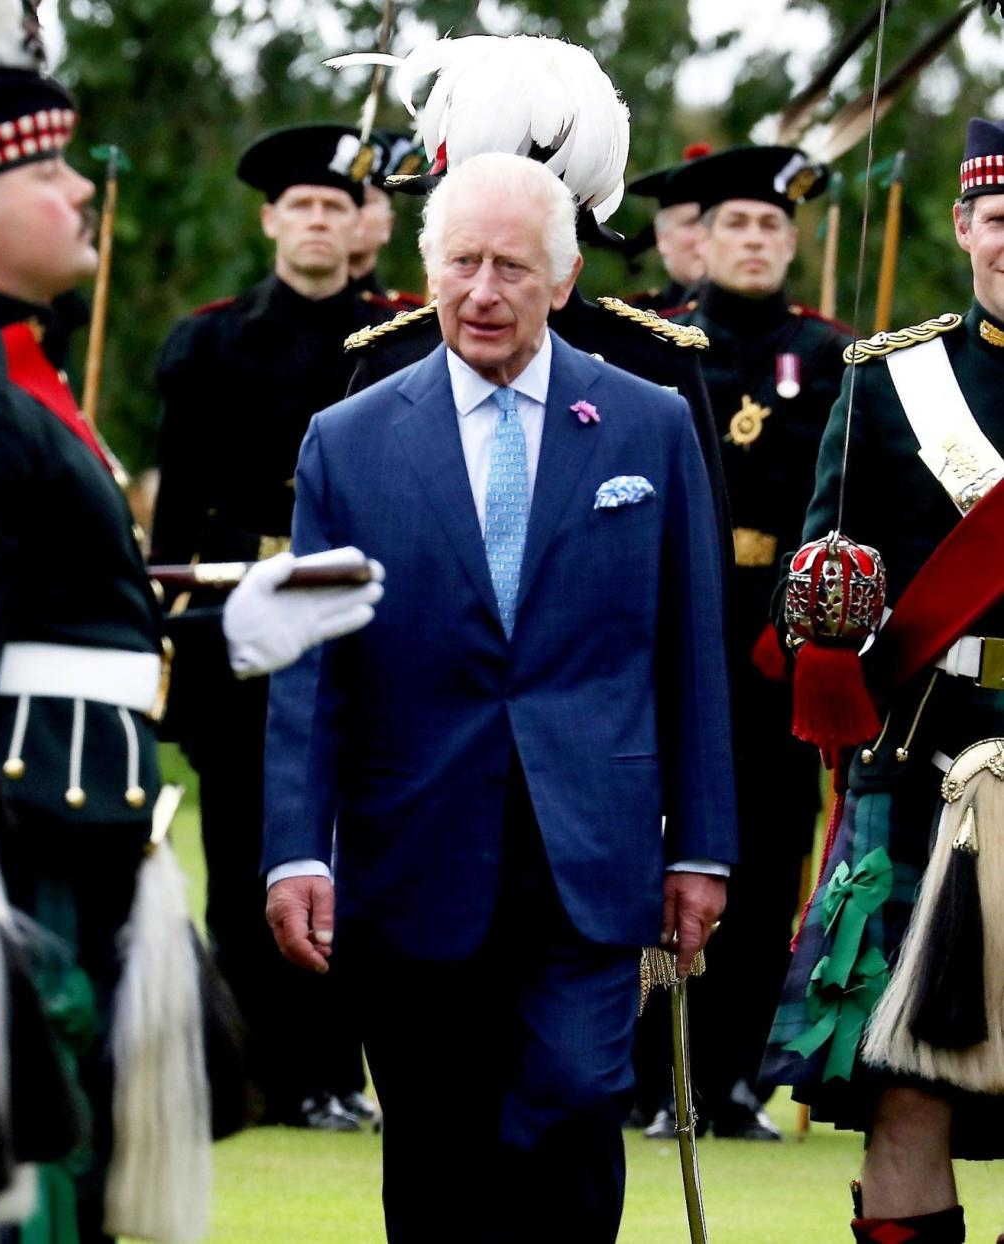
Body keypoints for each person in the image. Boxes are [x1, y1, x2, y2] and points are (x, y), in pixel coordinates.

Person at [0, 37, 383, 1241]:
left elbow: (80, 627)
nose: (78, 191)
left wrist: (231, 631)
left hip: (77, 827)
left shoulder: (13, 374)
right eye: (46, 171)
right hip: (15, 854)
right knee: (28, 1195)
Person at [263, 151, 736, 1244]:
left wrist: (702, 847)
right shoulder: (348, 439)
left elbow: (691, 654)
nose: (483, 292)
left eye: (512, 268)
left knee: (573, 1098)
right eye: (462, 263)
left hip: (591, 853)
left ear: (563, 279)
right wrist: (296, 847)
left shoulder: (648, 424)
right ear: (427, 271)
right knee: (434, 1136)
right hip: (411, 846)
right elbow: (312, 668)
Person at [765, 116, 1004, 1244]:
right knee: (906, 1078)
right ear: (965, 225)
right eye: (1002, 219)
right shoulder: (895, 379)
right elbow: (806, 587)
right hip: (925, 758)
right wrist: (820, 619)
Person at [149, 122, 392, 1132]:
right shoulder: (208, 342)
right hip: (238, 615)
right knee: (248, 848)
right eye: (301, 206)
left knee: (350, 852)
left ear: (361, 223)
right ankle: (247, 1066)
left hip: (358, 616)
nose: (318, 222)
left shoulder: (395, 340)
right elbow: (172, 517)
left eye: (337, 206)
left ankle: (332, 1070)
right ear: (270, 219)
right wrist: (174, 637)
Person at [342, 34, 734, 586]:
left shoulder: (652, 366)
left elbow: (697, 575)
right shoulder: (393, 362)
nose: (488, 285)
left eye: (516, 252)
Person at [650, 144, 851, 1142]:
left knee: (769, 864)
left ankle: (731, 1078)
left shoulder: (831, 358)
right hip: (671, 632)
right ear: (704, 236)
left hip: (780, 645)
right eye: (738, 223)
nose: (756, 239)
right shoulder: (658, 343)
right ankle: (648, 1074)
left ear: (793, 240)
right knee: (655, 851)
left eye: (774, 225)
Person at [624, 142, 711, 312]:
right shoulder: (632, 323)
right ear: (661, 238)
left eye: (717, 223)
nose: (705, 235)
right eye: (691, 223)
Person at [347, 128, 424, 305]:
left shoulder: (410, 321)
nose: (352, 213)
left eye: (363, 202)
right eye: (336, 206)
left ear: (389, 223)